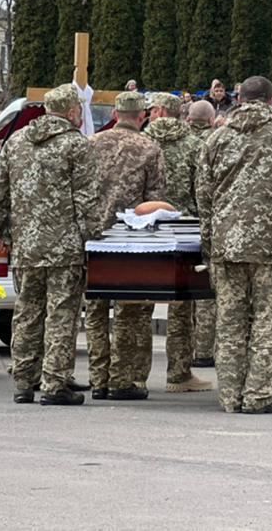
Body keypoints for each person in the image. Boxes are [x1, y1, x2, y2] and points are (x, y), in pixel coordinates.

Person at [196, 76, 272, 414]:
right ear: (270, 99)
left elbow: (203, 197)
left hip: (226, 243)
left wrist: (210, 242)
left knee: (230, 320)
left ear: (239, 97)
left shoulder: (216, 137)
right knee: (270, 319)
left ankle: (230, 395)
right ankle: (260, 394)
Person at [0, 84, 100, 406]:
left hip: (25, 246)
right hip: (64, 247)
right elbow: (88, 199)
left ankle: (23, 381)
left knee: (27, 313)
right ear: (72, 111)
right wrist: (90, 239)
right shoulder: (75, 145)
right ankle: (55, 382)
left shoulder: (17, 141)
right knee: (61, 314)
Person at [86, 90, 166, 402]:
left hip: (93, 238)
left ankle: (98, 377)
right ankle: (124, 378)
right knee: (130, 312)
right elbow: (155, 199)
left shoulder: (91, 144)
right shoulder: (150, 148)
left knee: (94, 310)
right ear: (142, 116)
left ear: (116, 115)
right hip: (131, 240)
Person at [143, 93, 213, 395]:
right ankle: (178, 372)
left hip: (143, 232)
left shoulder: (142, 143)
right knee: (182, 306)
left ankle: (132, 374)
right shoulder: (196, 145)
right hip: (185, 232)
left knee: (138, 305)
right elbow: (205, 191)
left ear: (158, 112)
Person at [183, 100, 219, 367]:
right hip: (204, 221)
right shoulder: (213, 143)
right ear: (211, 119)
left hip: (173, 224)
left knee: (182, 293)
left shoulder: (181, 141)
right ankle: (205, 349)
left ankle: (185, 350)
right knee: (206, 288)